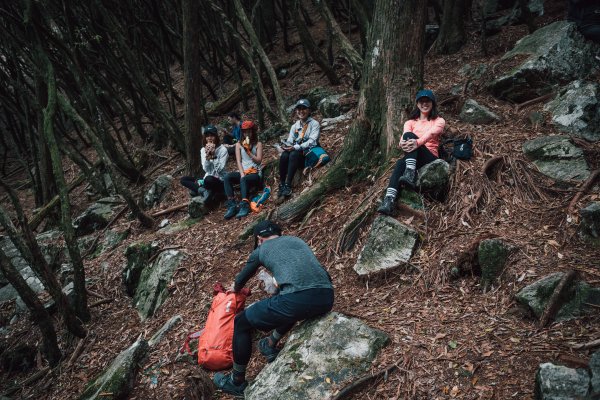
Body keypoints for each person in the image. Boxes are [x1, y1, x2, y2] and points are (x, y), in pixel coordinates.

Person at [213, 220, 334, 397]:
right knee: (284, 299)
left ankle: (236, 381)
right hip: (326, 296)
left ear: (259, 238)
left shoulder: (261, 250)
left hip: (297, 300)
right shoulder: (297, 241)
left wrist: (235, 288)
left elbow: (243, 278)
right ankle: (270, 344)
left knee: (240, 322)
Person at [378, 89, 446, 216]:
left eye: (427, 101)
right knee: (399, 163)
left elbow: (431, 134)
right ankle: (389, 201)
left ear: (432, 103)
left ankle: (410, 173)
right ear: (417, 104)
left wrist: (417, 142)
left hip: (430, 157)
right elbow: (403, 138)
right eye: (421, 101)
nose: (424, 104)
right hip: (413, 158)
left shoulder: (439, 120)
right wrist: (402, 144)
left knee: (411, 137)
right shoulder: (410, 122)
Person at [278, 99, 320, 198]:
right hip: (297, 154)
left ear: (309, 110)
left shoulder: (314, 124)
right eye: (299, 109)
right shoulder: (295, 126)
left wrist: (296, 147)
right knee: (284, 155)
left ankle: (288, 185)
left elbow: (312, 141)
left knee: (294, 153)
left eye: (304, 108)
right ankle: (282, 184)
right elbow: (290, 141)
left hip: (308, 154)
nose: (301, 111)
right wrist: (285, 146)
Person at [223, 120, 263, 220]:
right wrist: (241, 173)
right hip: (243, 172)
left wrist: (249, 152)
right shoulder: (238, 144)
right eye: (245, 132)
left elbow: (258, 161)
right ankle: (232, 204)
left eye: (249, 131)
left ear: (253, 131)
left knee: (244, 179)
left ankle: (245, 204)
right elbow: (239, 161)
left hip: (255, 172)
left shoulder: (258, 144)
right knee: (227, 177)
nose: (247, 134)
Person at [179, 125, 228, 198]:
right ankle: (202, 190)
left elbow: (220, 170)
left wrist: (213, 156)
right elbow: (206, 169)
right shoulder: (203, 150)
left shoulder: (223, 150)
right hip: (207, 178)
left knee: (209, 179)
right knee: (184, 179)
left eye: (212, 135)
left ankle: (201, 190)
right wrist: (208, 157)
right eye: (207, 136)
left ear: (216, 137)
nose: (209, 138)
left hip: (220, 180)